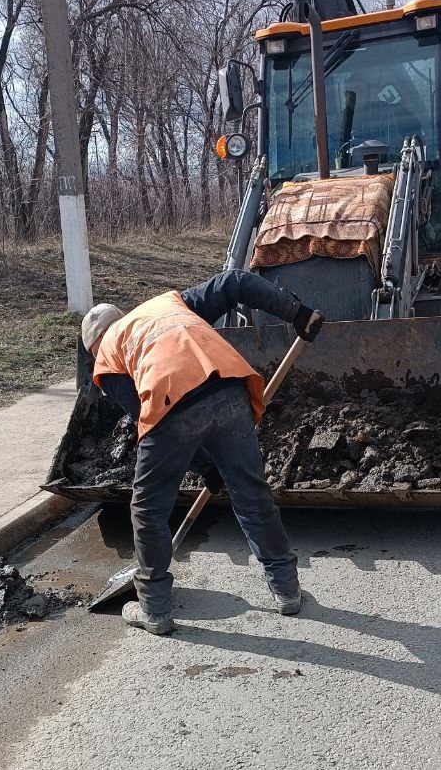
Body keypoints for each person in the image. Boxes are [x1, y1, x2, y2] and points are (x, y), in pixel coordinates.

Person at [81, 270, 324, 636]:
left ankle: (154, 609)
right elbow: (234, 283)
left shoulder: (107, 355)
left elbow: (147, 416)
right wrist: (296, 312)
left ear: (94, 345)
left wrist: (203, 467)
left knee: (147, 510)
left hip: (171, 404)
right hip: (229, 391)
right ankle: (287, 591)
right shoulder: (169, 304)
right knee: (251, 496)